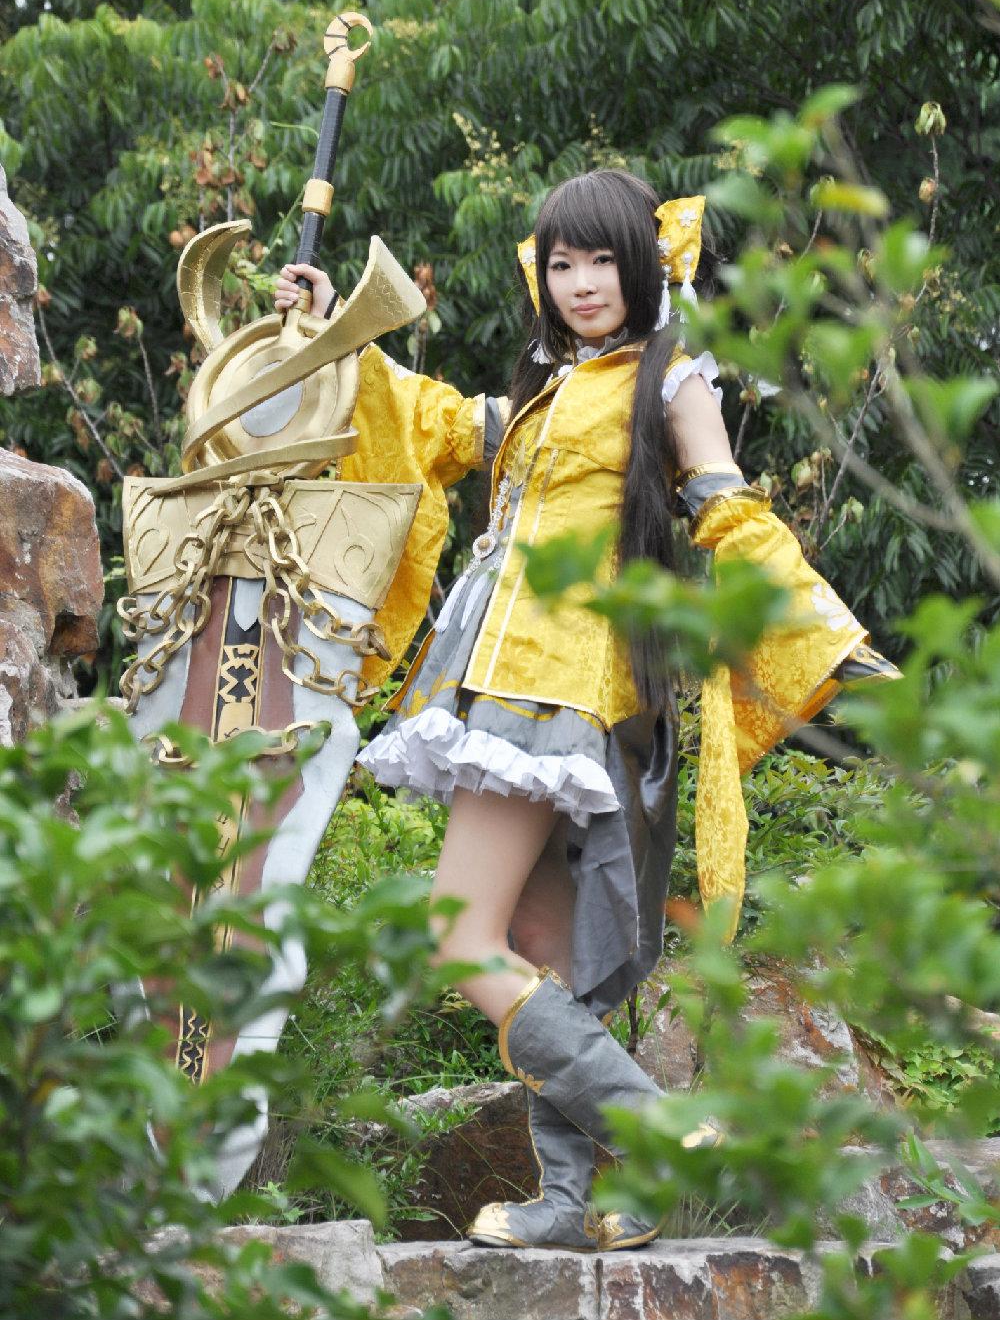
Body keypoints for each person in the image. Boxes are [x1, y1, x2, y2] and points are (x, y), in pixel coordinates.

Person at [274, 169, 893, 1252]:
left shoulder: (671, 382)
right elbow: (426, 418)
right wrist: (332, 330)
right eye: (562, 263)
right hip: (509, 681)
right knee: (537, 949)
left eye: (604, 259)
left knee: (456, 935)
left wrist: (818, 631)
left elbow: (729, 508)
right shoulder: (549, 388)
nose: (582, 282)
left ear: (645, 264)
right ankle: (570, 1198)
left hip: (558, 687)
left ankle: (656, 1132)